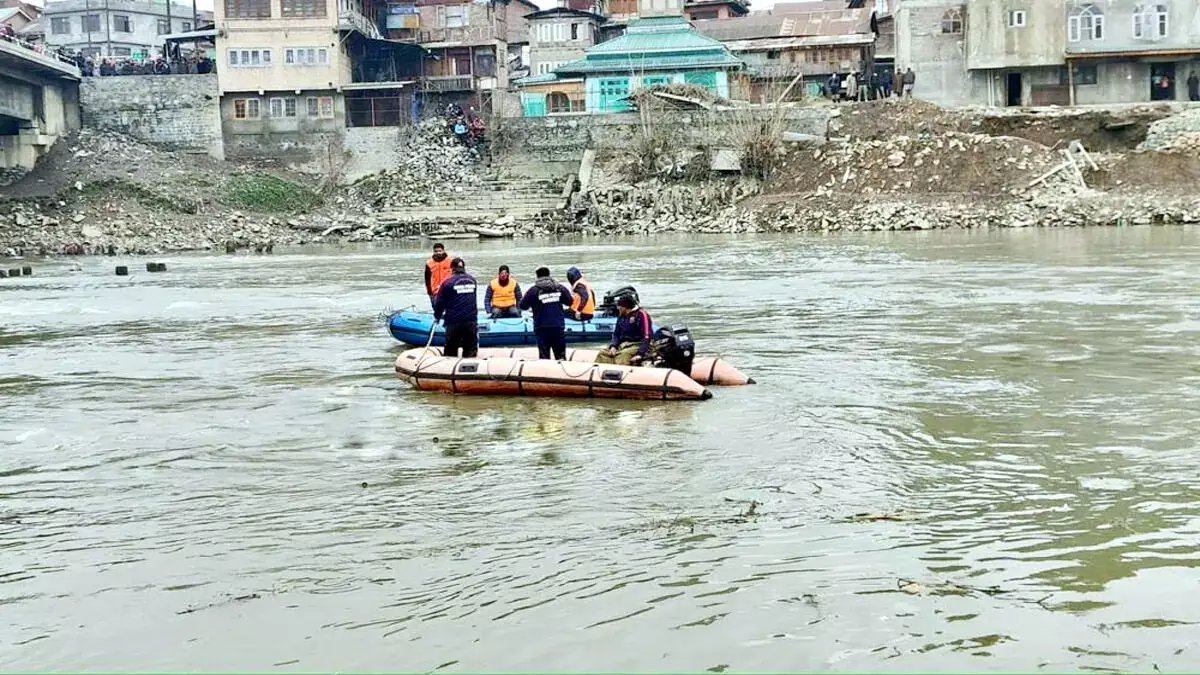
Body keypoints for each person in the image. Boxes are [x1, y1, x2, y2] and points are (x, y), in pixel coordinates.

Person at [518, 266, 573, 360]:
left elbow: (523, 306)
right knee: (561, 356)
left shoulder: (534, 291)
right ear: (549, 275)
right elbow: (569, 301)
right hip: (558, 326)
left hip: (542, 327)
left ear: (537, 276)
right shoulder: (560, 288)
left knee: (544, 357)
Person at [433, 257, 478, 358]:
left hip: (454, 321)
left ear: (452, 269)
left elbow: (440, 303)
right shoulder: (472, 280)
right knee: (470, 349)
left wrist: (437, 316)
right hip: (471, 320)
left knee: (451, 350)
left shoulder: (447, 283)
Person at [595, 295, 653, 366]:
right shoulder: (621, 315)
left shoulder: (641, 315)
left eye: (620, 307)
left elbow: (647, 336)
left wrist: (640, 353)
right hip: (623, 344)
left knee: (623, 355)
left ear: (626, 307)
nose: (618, 308)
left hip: (637, 344)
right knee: (602, 353)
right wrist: (613, 346)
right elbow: (616, 333)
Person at [424, 242, 453, 309]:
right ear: (433, 252)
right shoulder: (429, 263)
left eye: (440, 251)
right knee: (437, 310)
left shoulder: (451, 261)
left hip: (448, 290)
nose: (438, 253)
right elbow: (427, 279)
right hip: (435, 291)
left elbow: (456, 275)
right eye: (436, 251)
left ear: (443, 251)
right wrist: (429, 292)